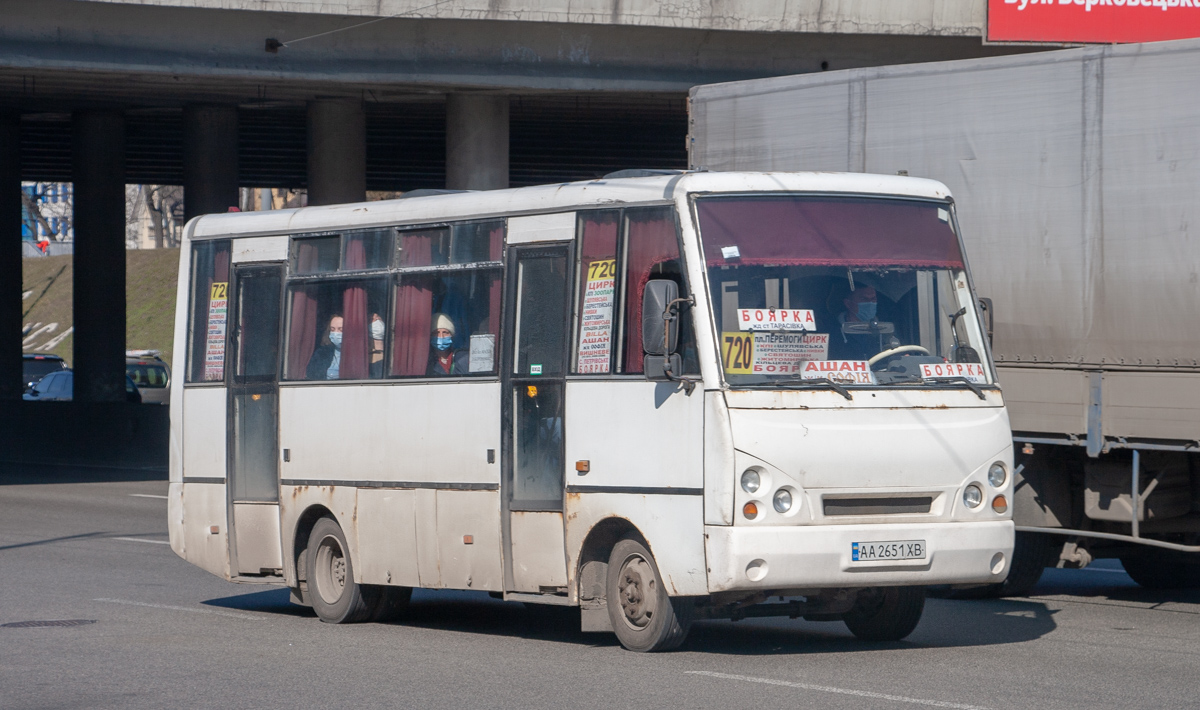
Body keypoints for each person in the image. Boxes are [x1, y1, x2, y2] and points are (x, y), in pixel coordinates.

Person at [306, 314, 344, 380]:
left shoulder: (357, 356)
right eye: (332, 329)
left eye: (340, 330)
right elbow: (311, 374)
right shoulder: (322, 353)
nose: (336, 333)